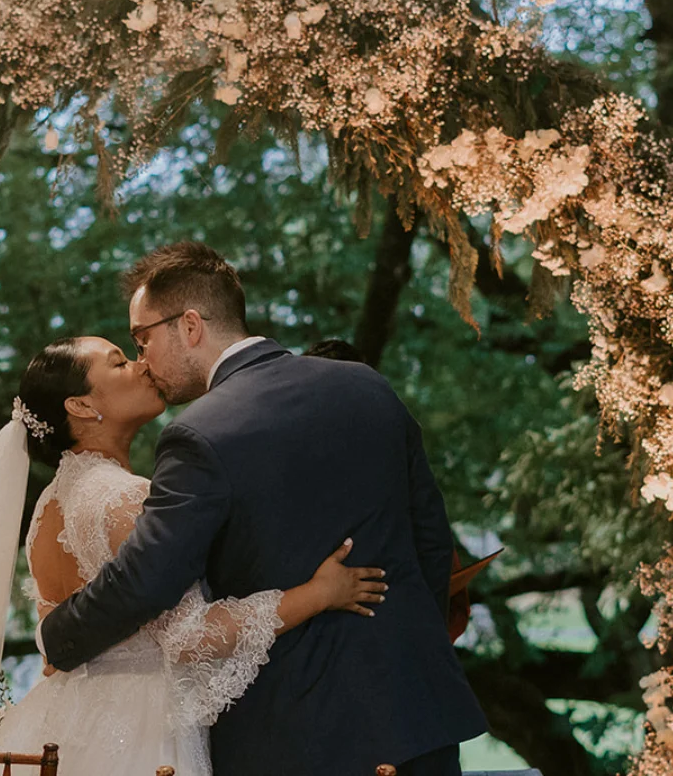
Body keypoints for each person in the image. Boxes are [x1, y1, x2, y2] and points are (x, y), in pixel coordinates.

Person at [40, 242, 488, 776]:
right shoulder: (368, 385)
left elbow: (147, 579)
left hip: (297, 736)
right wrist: (410, 644)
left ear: (189, 326)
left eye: (143, 339)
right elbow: (431, 539)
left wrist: (57, 636)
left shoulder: (200, 433)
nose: (143, 360)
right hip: (418, 714)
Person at [0, 333, 389, 776]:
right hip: (139, 733)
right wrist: (319, 594)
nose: (141, 365)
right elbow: (190, 638)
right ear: (81, 406)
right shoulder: (124, 499)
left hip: (64, 723)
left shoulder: (48, 508)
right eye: (119, 362)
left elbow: (55, 638)